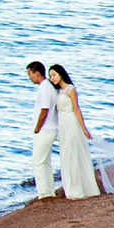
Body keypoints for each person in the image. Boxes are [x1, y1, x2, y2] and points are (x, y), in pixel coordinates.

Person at [50, 64, 102, 199]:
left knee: (73, 153)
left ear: (61, 74)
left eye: (54, 75)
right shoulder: (59, 92)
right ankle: (71, 187)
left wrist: (84, 128)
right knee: (66, 155)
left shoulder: (70, 89)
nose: (52, 78)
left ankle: (78, 189)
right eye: (50, 76)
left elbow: (77, 109)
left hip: (71, 123)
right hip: (63, 125)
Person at [25, 60, 59, 198]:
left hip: (45, 130)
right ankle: (49, 191)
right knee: (45, 162)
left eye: (30, 74)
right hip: (49, 130)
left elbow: (44, 110)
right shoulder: (48, 87)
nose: (29, 78)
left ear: (37, 73)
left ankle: (44, 193)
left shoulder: (44, 88)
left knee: (38, 162)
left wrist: (37, 128)